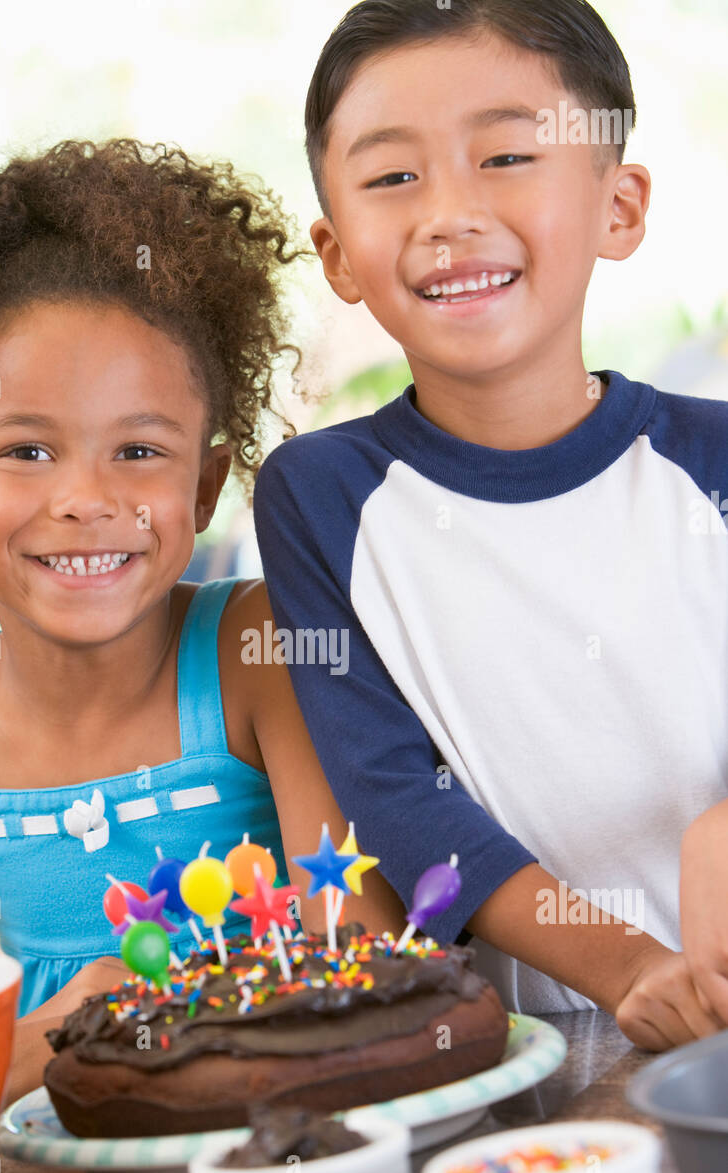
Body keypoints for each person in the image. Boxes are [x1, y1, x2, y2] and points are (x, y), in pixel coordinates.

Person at [0, 138, 406, 1104]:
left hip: (295, 1150)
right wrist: (34, 1051)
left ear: (203, 487)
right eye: (26, 449)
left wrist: (128, 1019)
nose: (84, 498)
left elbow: (358, 964)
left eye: (139, 450)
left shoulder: (260, 651)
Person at [253, 0, 728, 1049]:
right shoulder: (318, 495)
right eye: (391, 177)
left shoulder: (713, 460)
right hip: (524, 1049)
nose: (447, 213)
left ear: (618, 205)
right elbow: (394, 798)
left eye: (506, 155)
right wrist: (627, 969)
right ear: (337, 254)